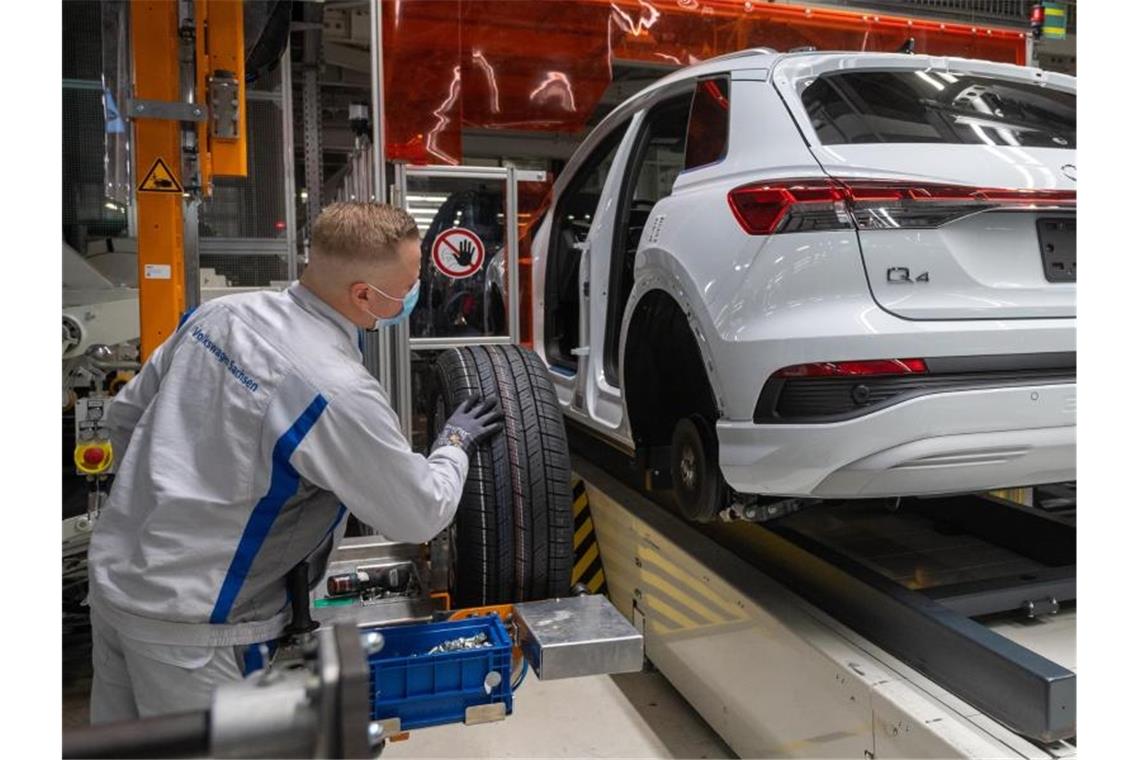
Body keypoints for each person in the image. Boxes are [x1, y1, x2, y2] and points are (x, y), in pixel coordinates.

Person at [86, 202, 503, 723]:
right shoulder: (334, 388)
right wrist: (454, 444)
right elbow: (420, 512)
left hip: (115, 582)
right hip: (200, 632)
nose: (415, 291)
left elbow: (127, 418)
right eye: (411, 280)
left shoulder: (221, 315)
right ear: (365, 296)